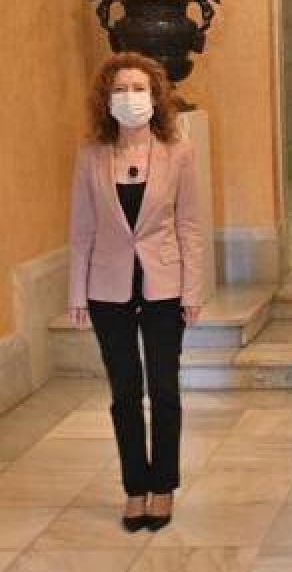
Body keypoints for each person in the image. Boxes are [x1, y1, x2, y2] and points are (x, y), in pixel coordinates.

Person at [68, 53, 204, 532]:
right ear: (106, 99)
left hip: (165, 286)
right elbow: (81, 229)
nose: (131, 98)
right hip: (108, 290)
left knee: (165, 389)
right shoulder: (90, 156)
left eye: (139, 88)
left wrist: (193, 289)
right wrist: (77, 292)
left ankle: (163, 484)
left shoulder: (179, 152)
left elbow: (189, 226)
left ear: (155, 97)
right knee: (124, 392)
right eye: (121, 89)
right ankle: (134, 488)